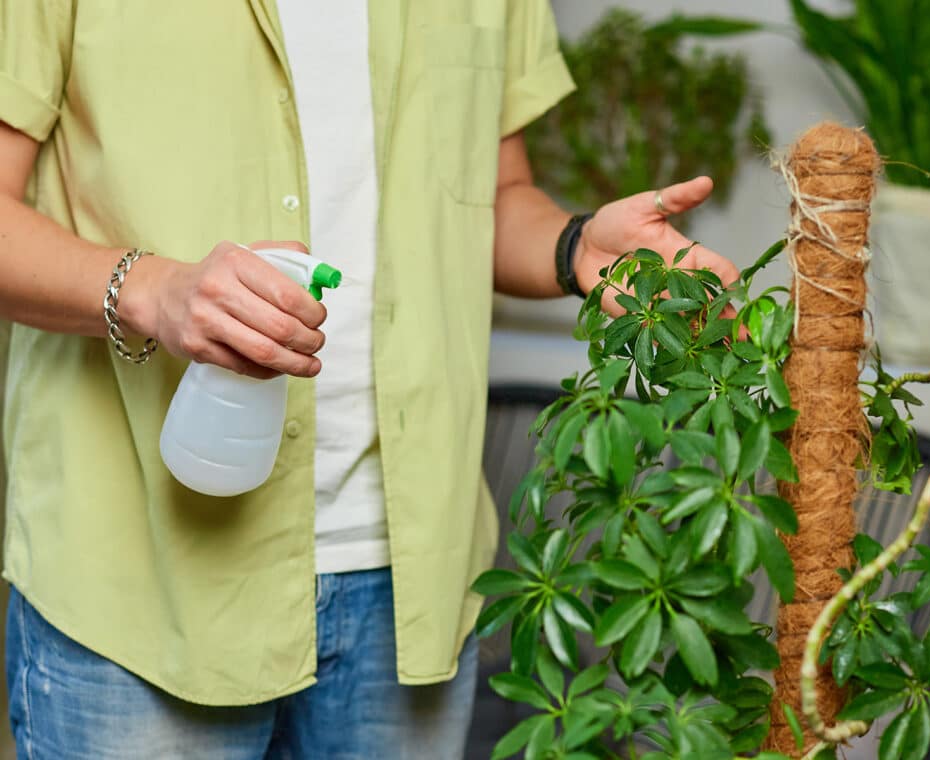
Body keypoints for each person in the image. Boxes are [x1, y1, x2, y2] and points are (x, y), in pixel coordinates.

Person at [0, 1, 740, 758]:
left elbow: (491, 197)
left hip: (411, 585)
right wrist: (153, 293)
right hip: (140, 580)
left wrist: (574, 245)